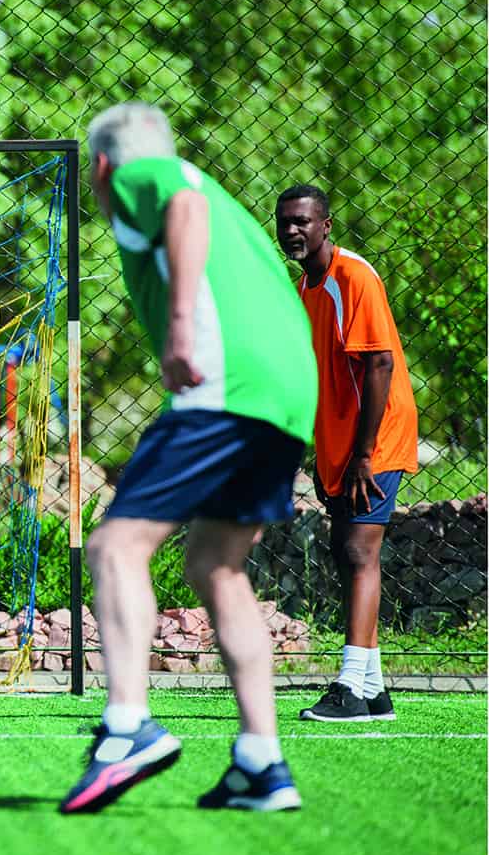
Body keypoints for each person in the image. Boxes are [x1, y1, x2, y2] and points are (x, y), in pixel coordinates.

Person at [59, 102, 318, 814]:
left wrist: (178, 325)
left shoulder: (147, 174)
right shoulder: (226, 203)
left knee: (115, 546)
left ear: (102, 166)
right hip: (287, 394)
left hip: (224, 384)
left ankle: (126, 727)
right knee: (215, 564)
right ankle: (261, 763)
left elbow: (180, 207)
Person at [277, 184, 418, 723]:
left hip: (375, 438)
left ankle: (350, 688)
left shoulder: (352, 276)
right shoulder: (308, 289)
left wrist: (361, 455)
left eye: (303, 221)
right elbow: (323, 380)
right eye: (285, 221)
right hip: (343, 443)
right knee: (345, 551)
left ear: (326, 225)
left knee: (360, 552)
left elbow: (378, 365)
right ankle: (374, 689)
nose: (292, 230)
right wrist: (323, 453)